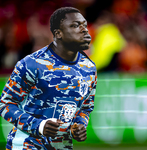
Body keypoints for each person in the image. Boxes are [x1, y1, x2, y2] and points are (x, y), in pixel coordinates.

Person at [0, 7, 97, 150]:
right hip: (26, 145)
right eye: (75, 25)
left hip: (62, 146)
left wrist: (80, 125)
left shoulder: (89, 68)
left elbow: (86, 108)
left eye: (84, 25)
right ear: (58, 33)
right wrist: (38, 126)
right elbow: (6, 104)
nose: (84, 30)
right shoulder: (31, 64)